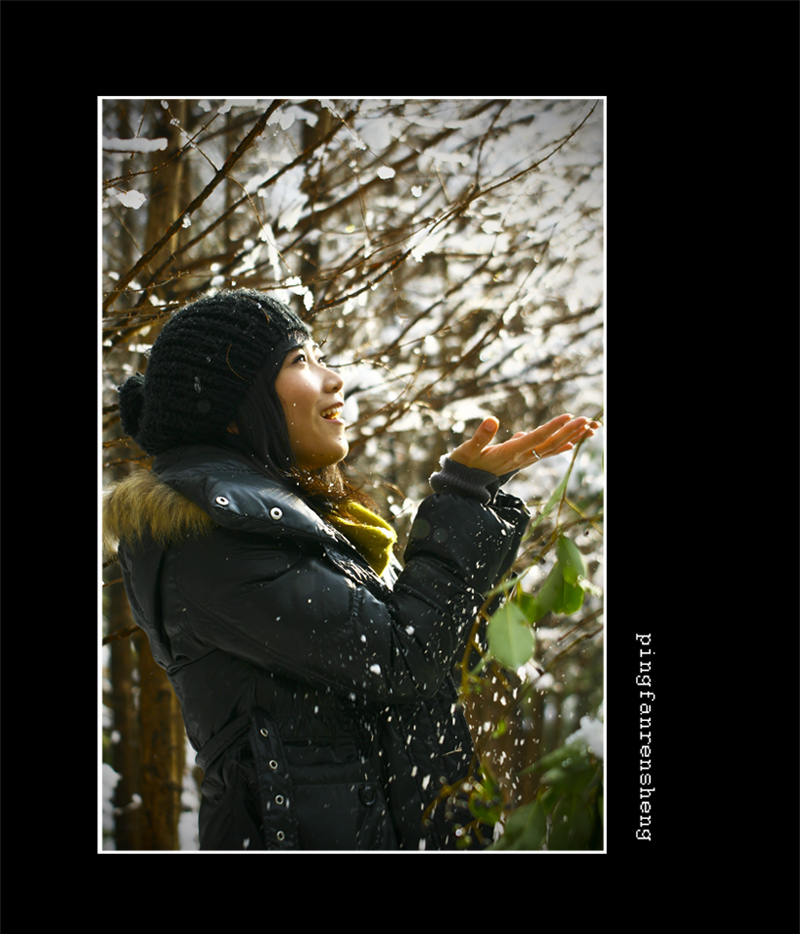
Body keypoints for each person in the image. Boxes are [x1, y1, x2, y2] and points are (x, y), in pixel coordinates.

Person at [103, 287, 598, 851]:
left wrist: (474, 493)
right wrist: (459, 500)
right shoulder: (207, 537)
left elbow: (425, 662)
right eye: (299, 361)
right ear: (232, 410)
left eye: (319, 355)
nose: (334, 378)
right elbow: (403, 657)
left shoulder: (274, 524)